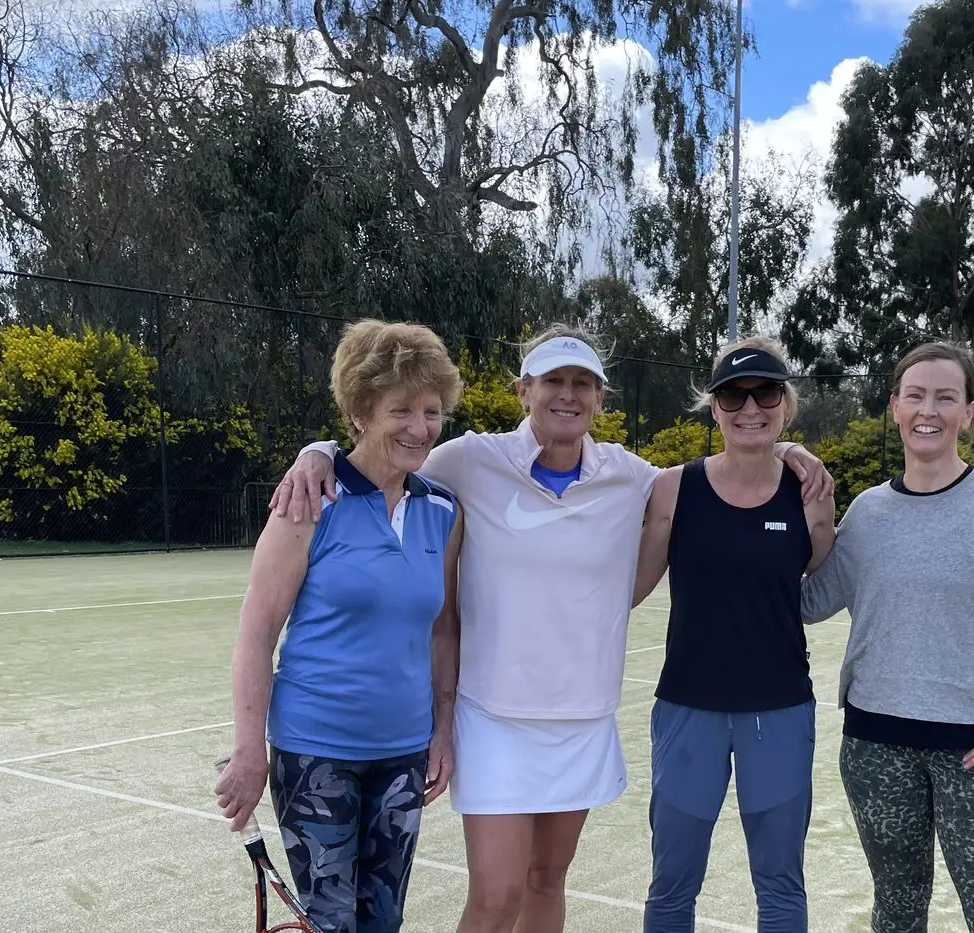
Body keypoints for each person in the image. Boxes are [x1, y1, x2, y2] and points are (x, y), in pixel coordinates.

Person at [268, 324, 834, 933]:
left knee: (546, 883)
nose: (568, 394)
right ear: (524, 391)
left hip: (582, 717)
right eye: (554, 381)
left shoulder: (633, 476)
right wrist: (318, 451)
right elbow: (383, 453)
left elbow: (723, 472)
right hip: (493, 717)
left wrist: (788, 453)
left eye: (582, 384)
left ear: (599, 397)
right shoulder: (469, 459)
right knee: (496, 896)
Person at [799, 341, 974, 933]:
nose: (930, 410)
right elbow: (811, 602)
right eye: (916, 395)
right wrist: (783, 516)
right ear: (895, 407)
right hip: (874, 749)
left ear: (968, 413)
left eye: (946, 397)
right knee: (896, 914)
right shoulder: (868, 512)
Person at [214, 319, 466, 933]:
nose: (419, 427)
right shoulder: (308, 501)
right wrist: (250, 751)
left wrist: (442, 730)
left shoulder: (442, 511)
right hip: (315, 752)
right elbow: (256, 632)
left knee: (383, 921)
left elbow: (442, 630)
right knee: (331, 922)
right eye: (400, 409)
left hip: (403, 754)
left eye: (431, 410)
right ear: (359, 413)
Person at [632, 337, 835, 933]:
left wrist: (797, 456)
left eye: (765, 392)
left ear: (786, 403)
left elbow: (826, 587)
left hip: (779, 712)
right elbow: (626, 590)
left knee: (779, 886)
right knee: (672, 885)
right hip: (687, 710)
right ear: (713, 407)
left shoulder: (811, 493)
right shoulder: (672, 488)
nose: (750, 407)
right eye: (733, 395)